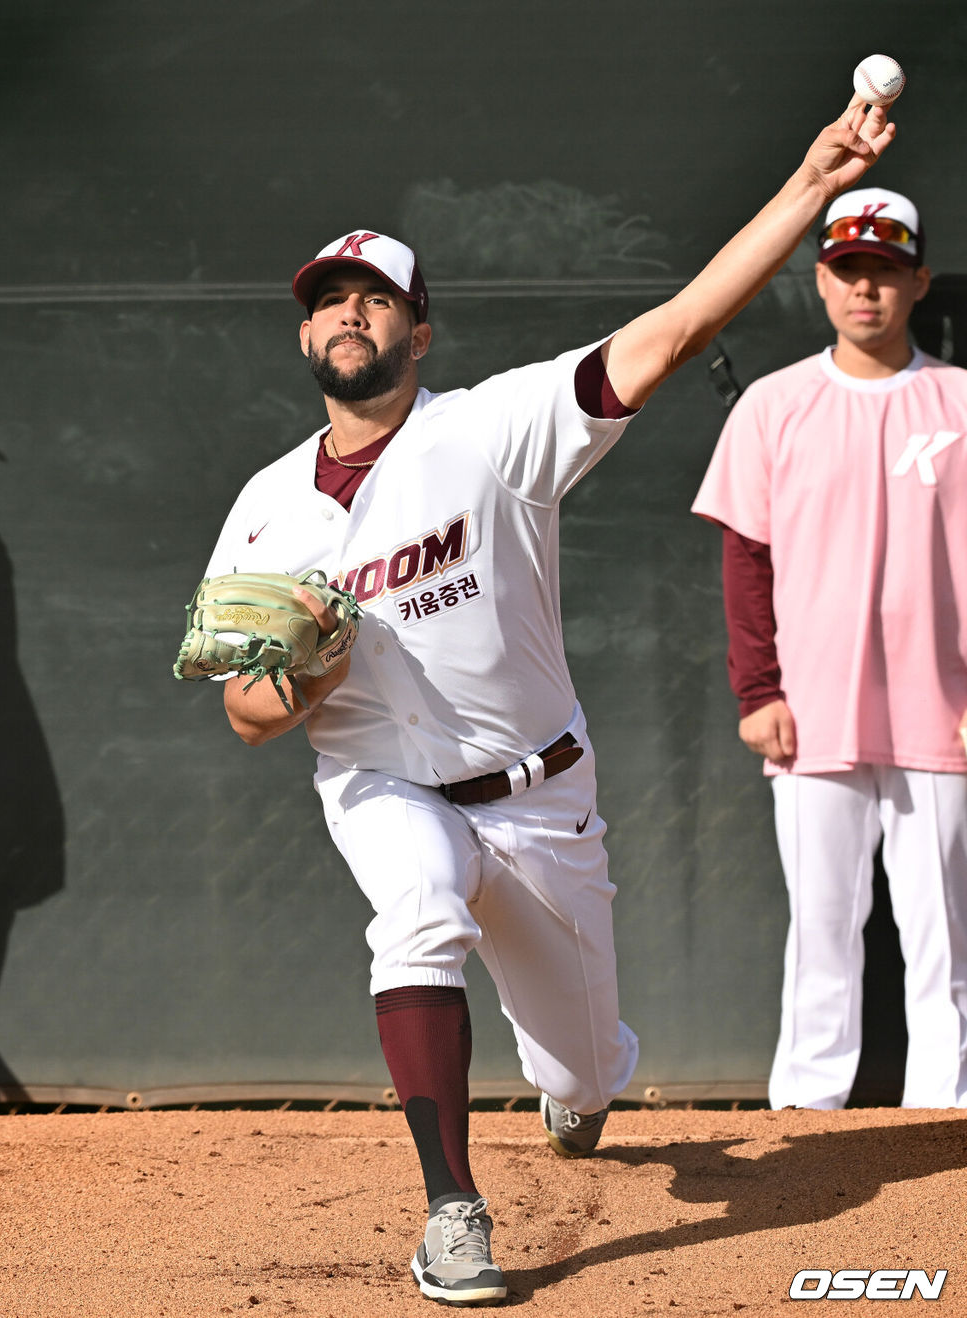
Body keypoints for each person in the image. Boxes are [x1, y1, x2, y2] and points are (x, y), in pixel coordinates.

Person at [197, 101, 893, 1305]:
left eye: (373, 295)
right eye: (326, 297)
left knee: (580, 1065)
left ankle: (579, 1095)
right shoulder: (262, 509)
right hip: (378, 783)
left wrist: (803, 182)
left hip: (536, 796)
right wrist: (298, 677)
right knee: (413, 915)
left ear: (421, 326)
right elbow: (246, 714)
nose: (346, 312)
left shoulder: (495, 430)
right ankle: (452, 1209)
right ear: (304, 331)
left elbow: (676, 330)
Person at [692, 185, 967, 1113]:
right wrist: (756, 690)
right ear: (820, 281)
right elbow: (745, 564)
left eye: (885, 272)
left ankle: (949, 1120)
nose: (866, 290)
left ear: (918, 281)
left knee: (946, 942)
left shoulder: (962, 403)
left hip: (947, 715)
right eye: (849, 270)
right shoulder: (773, 407)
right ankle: (805, 1128)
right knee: (821, 933)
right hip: (809, 714)